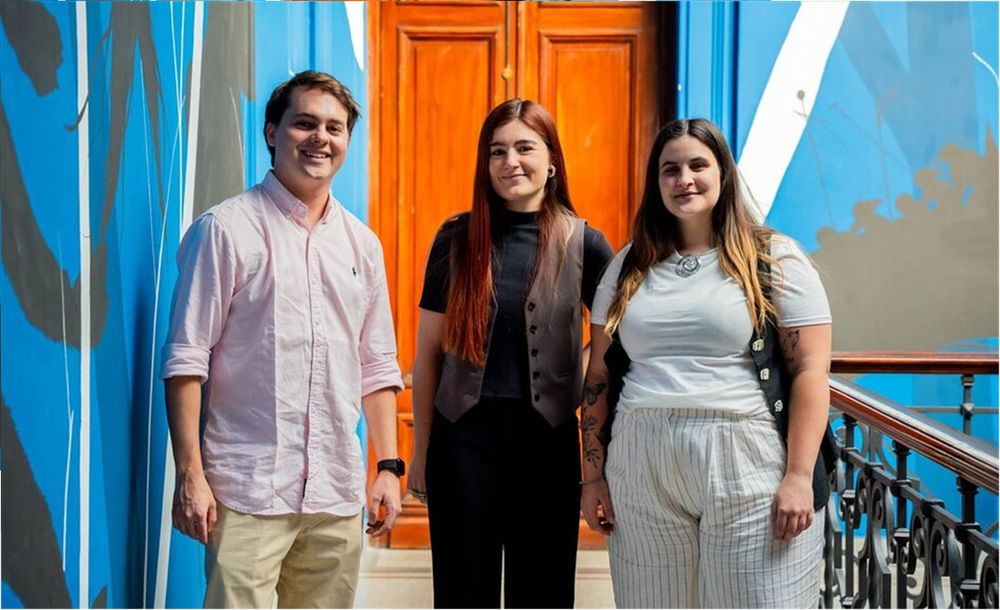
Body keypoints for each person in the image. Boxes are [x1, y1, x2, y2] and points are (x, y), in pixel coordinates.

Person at [161, 71, 405, 609]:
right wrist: (190, 474)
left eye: (335, 128)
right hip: (246, 491)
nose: (321, 138)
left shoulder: (363, 246)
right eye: (305, 123)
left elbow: (377, 365)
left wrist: (388, 467)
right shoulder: (225, 230)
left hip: (334, 495)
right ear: (273, 132)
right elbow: (185, 360)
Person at [579, 118, 833, 608]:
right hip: (639, 455)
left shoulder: (774, 259)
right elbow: (599, 377)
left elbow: (809, 370)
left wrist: (799, 476)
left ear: (723, 173)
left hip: (746, 454)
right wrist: (592, 477)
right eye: (670, 169)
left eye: (698, 165)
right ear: (656, 182)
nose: (684, 179)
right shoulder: (628, 265)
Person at [406, 99, 614, 608]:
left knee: (543, 595)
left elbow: (616, 342)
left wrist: (574, 372)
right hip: (462, 446)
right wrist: (421, 453)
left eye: (524, 148)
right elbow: (428, 354)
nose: (510, 162)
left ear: (552, 160)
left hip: (547, 446)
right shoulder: (455, 240)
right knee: (462, 596)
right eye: (497, 151)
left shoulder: (585, 243)